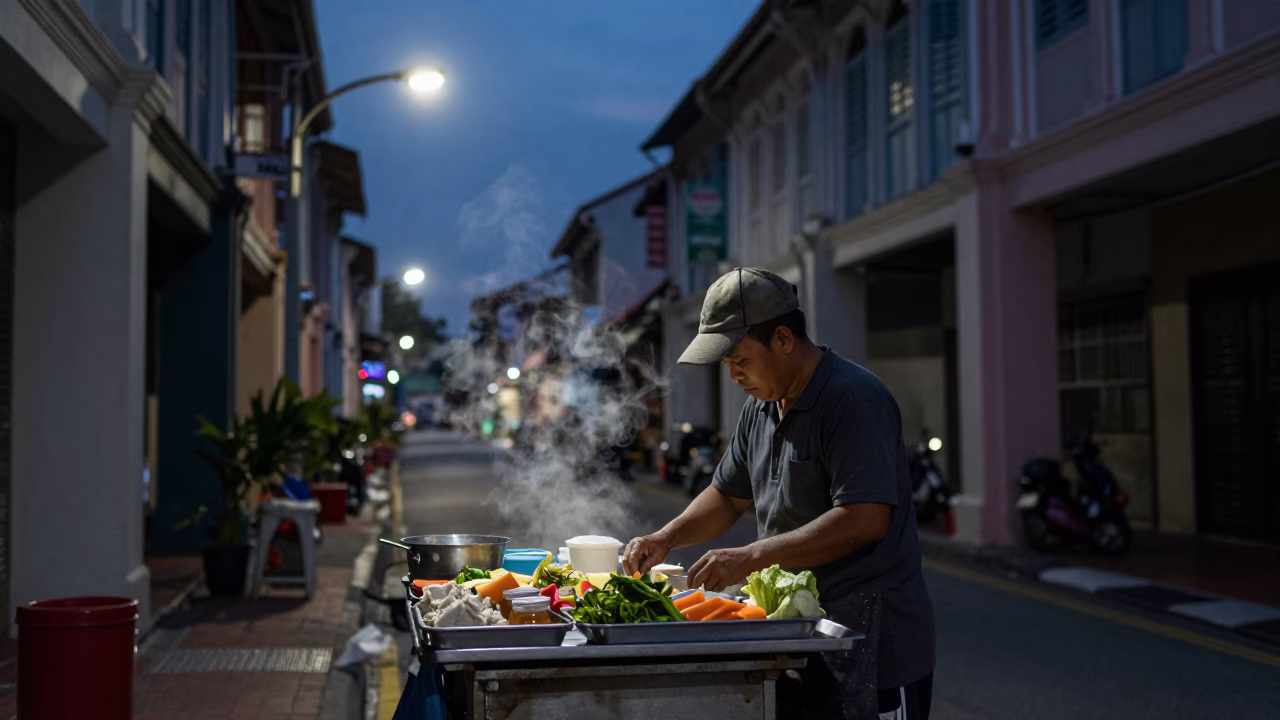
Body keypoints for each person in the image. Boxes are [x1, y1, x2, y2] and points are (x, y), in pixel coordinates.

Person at [623, 268, 935, 720]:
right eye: (727, 365)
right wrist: (666, 538)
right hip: (796, 630)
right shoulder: (761, 407)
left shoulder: (852, 399)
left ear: (784, 339)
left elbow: (865, 518)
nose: (734, 376)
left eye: (740, 360)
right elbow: (729, 495)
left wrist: (750, 557)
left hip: (871, 639)